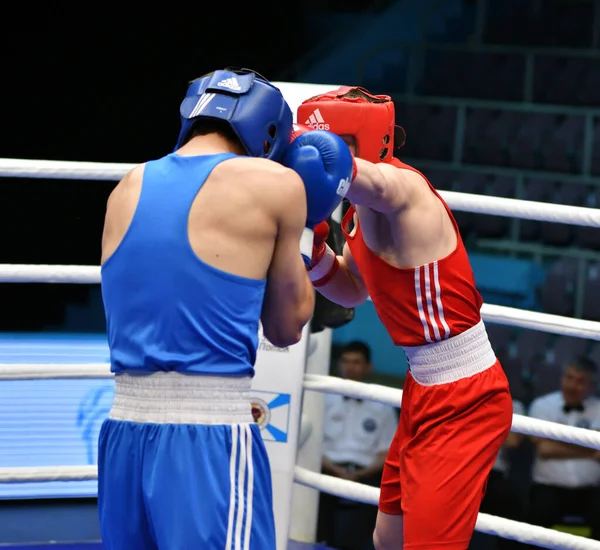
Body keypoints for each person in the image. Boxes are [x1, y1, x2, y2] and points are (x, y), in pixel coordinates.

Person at [97, 68, 356, 550]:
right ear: (270, 133)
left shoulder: (127, 185)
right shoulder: (275, 183)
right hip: (207, 436)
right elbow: (286, 327)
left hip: (123, 433)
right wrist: (302, 231)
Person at [298, 86, 513, 550]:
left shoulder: (402, 190)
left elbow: (377, 184)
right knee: (387, 537)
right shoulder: (356, 212)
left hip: (465, 398)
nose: (316, 159)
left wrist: (322, 161)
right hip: (423, 388)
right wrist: (316, 255)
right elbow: (353, 289)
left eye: (334, 143)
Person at [318, 341, 398, 550]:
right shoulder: (321, 396)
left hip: (367, 475)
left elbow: (386, 453)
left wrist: (359, 474)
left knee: (365, 530)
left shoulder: (383, 404)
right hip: (326, 469)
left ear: (367, 366)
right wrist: (336, 471)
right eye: (346, 361)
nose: (350, 367)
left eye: (356, 362)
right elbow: (312, 445)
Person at [527, 357, 600, 544]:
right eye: (569, 378)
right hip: (548, 488)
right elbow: (544, 449)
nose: (573, 385)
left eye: (580, 381)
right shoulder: (543, 405)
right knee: (532, 533)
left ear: (592, 386)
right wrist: (590, 449)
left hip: (591, 490)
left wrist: (557, 442)